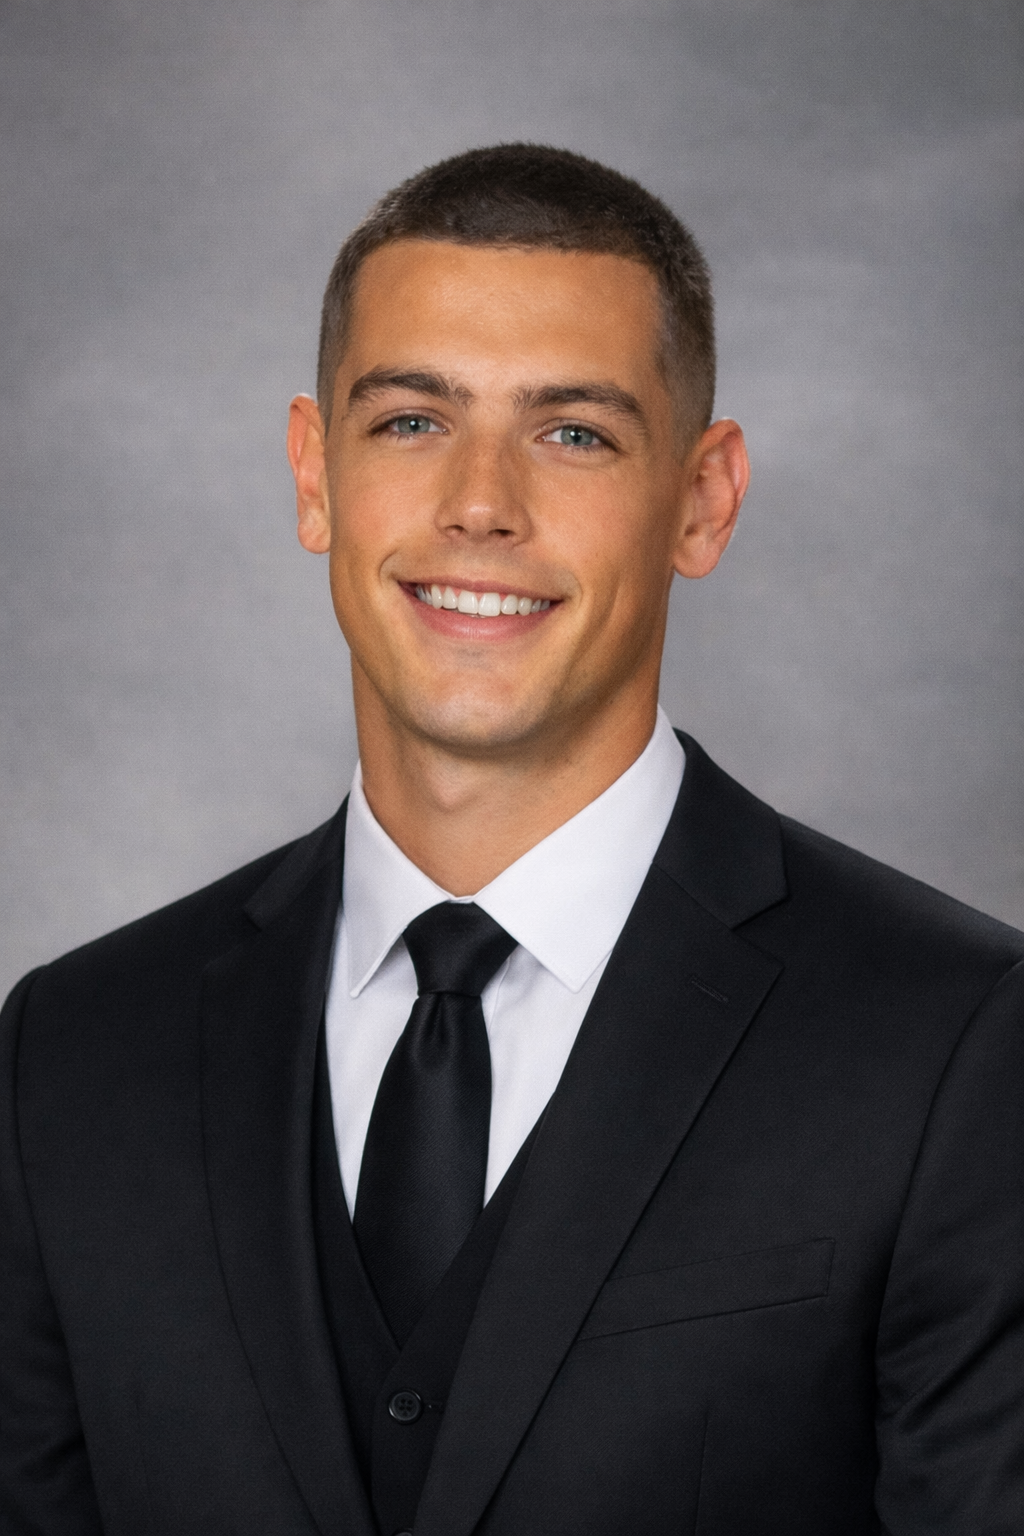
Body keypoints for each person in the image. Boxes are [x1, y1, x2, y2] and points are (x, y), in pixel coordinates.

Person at [1, 144, 1021, 1536]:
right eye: (412, 421)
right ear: (315, 476)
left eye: (574, 432)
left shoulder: (959, 1045)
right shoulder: (67, 1055)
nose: (481, 502)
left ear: (703, 500)